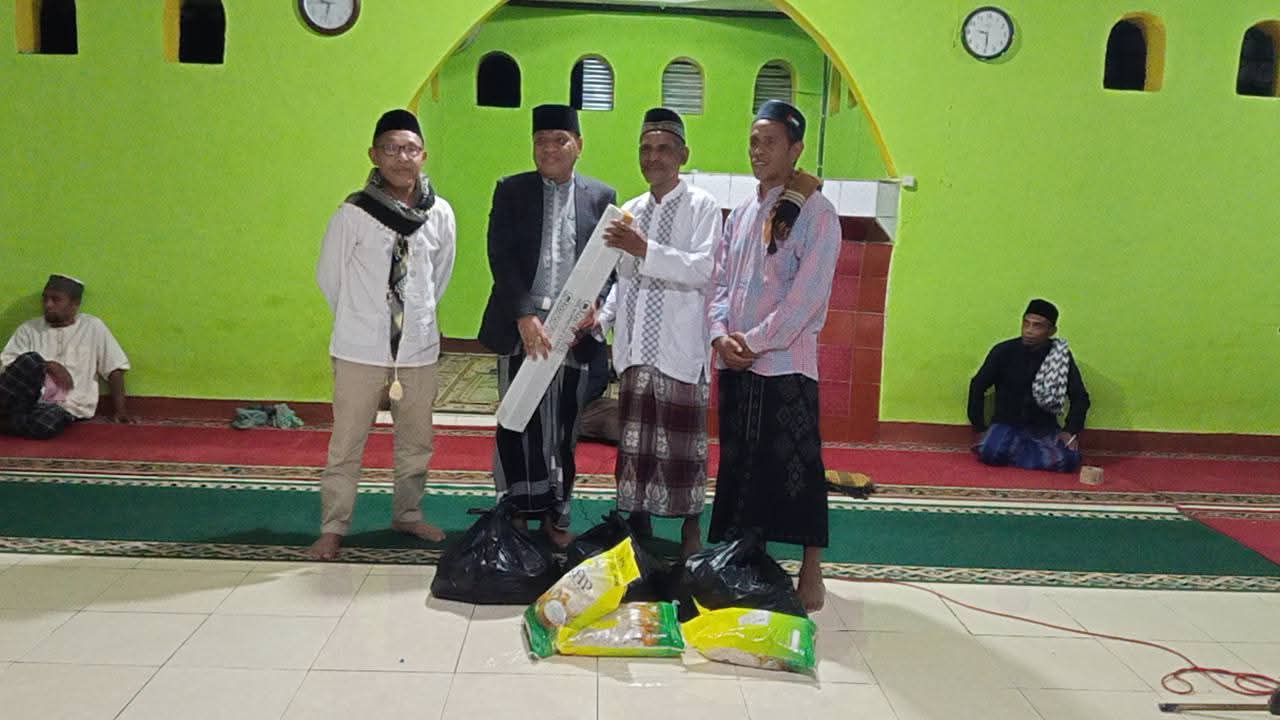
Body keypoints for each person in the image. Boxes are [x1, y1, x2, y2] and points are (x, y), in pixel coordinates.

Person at [706, 100, 841, 611]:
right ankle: (745, 561)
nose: (758, 151)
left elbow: (806, 300)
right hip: (738, 365)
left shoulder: (818, 215)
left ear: (796, 149)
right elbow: (720, 285)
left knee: (798, 471)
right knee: (742, 468)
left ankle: (811, 572)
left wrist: (754, 342)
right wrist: (720, 336)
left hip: (786, 367)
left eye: (770, 142)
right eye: (754, 141)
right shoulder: (742, 214)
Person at [311, 109, 456, 561]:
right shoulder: (353, 213)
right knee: (346, 443)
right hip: (359, 350)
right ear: (374, 155)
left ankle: (407, 514)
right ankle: (333, 527)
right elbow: (330, 278)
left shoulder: (440, 213)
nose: (401, 157)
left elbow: (440, 275)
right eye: (391, 148)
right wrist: (363, 321)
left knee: (417, 443)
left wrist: (416, 320)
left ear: (423, 155)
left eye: (410, 149)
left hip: (417, 352)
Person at [478, 104, 617, 546]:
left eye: (560, 140)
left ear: (579, 145)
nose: (550, 148)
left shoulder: (601, 196)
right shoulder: (511, 190)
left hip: (573, 332)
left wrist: (597, 304)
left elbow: (609, 263)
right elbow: (500, 256)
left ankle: (557, 515)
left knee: (563, 428)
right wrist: (524, 315)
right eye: (541, 141)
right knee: (517, 422)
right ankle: (517, 512)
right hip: (523, 326)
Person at [598, 107, 721, 556]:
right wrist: (603, 318)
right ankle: (638, 524)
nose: (654, 157)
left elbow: (703, 270)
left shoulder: (703, 206)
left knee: (682, 448)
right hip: (635, 351)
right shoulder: (630, 212)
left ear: (683, 155)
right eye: (646, 149)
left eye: (664, 149)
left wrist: (645, 249)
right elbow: (623, 279)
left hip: (679, 349)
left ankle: (690, 529)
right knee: (636, 447)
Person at [0, 274, 132, 438]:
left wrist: (121, 410)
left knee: (46, 424)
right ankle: (14, 421)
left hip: (66, 406)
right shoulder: (29, 328)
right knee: (31, 360)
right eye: (45, 299)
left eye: (56, 299)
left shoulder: (92, 327)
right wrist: (48, 365)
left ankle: (8, 423)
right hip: (24, 401)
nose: (48, 305)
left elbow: (114, 368)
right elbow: (8, 366)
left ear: (75, 304)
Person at [968, 299, 1090, 472]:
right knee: (991, 453)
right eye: (1026, 323)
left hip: (1043, 428)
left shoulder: (1060, 357)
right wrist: (980, 427)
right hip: (1007, 424)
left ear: (1051, 331)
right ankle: (1031, 454)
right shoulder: (1004, 351)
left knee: (1069, 460)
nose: (1029, 330)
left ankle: (1018, 452)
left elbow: (1080, 397)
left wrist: (1070, 430)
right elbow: (978, 386)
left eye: (1037, 326)